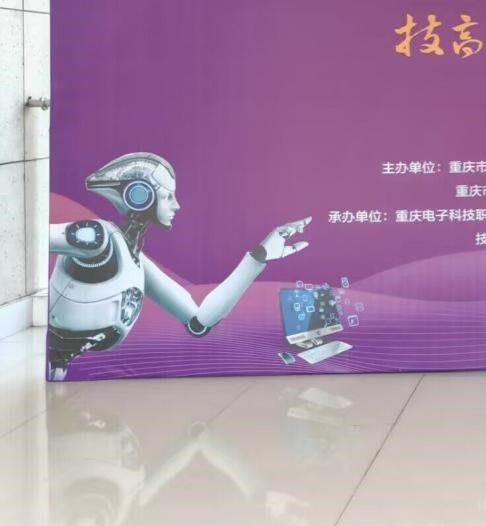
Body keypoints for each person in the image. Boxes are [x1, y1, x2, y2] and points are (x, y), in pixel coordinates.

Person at [47, 151, 311, 380]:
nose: (177, 205)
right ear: (141, 196)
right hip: (54, 365)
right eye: (168, 197)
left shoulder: (132, 259)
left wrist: (257, 258)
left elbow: (199, 322)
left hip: (65, 372)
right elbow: (36, 236)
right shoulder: (97, 238)